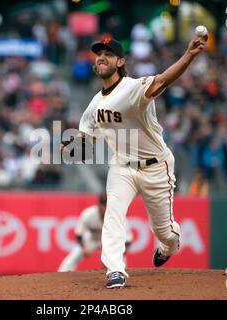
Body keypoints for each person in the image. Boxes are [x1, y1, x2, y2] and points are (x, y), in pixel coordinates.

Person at [63, 34, 208, 288]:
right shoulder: (94, 104)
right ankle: (115, 270)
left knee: (164, 232)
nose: (101, 57)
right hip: (122, 167)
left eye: (108, 54)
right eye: (99, 54)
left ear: (120, 61)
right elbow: (88, 140)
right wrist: (73, 146)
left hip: (156, 166)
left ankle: (169, 246)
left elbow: (164, 79)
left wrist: (190, 55)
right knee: (113, 213)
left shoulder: (133, 88)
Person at [58, 194, 132, 272]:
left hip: (109, 241)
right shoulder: (88, 214)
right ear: (98, 205)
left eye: (106, 204)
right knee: (75, 254)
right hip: (92, 239)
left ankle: (121, 274)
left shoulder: (117, 216)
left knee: (119, 257)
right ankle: (61, 273)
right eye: (102, 204)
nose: (104, 207)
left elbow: (128, 238)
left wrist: (123, 250)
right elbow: (79, 234)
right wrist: (83, 248)